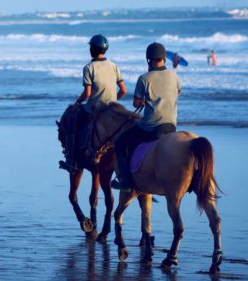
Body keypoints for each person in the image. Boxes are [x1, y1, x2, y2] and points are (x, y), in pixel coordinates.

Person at [112, 42, 181, 192]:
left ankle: (126, 182)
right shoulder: (174, 75)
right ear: (163, 58)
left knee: (120, 144)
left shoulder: (144, 79)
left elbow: (136, 103)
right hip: (171, 125)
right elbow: (178, 92)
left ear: (148, 59)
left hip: (150, 127)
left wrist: (143, 100)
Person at [72, 34, 127, 162]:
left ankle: (73, 158)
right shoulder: (114, 66)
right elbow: (123, 90)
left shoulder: (89, 68)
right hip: (112, 110)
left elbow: (87, 93)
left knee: (75, 120)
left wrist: (77, 103)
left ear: (92, 49)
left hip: (94, 109)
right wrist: (113, 100)